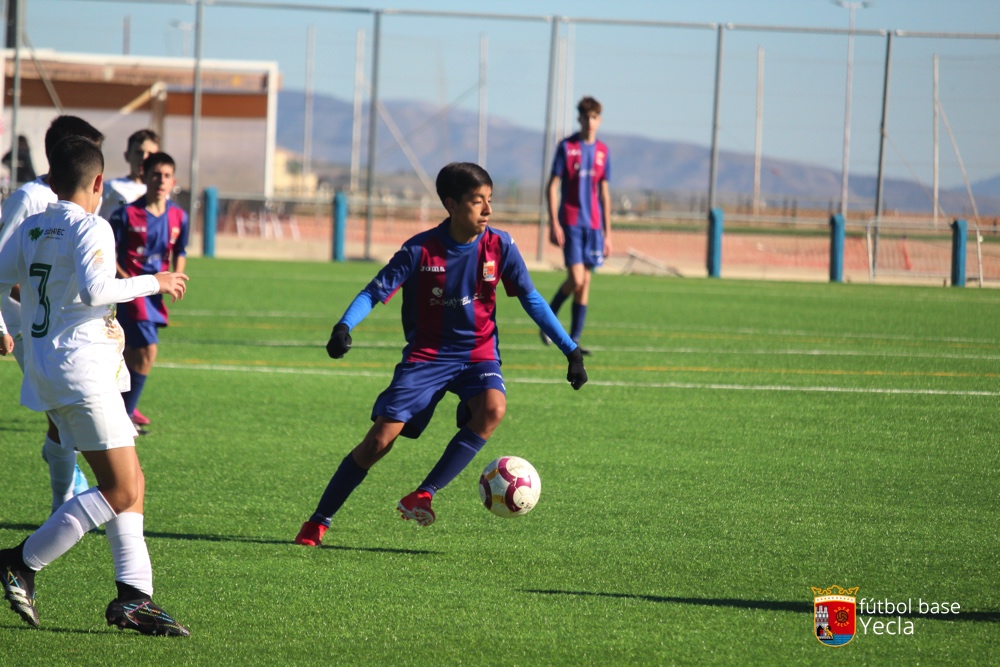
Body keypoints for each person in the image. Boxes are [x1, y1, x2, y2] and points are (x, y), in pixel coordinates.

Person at [294, 162, 588, 547]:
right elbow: (373, 292)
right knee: (378, 442)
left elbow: (532, 299)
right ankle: (318, 521)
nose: (487, 210)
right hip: (427, 357)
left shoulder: (500, 246)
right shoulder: (419, 250)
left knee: (493, 409)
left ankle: (425, 493)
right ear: (451, 204)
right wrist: (344, 326)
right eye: (477, 201)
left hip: (478, 355)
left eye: (490, 200)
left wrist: (571, 350)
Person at [0, 136, 190, 635]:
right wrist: (157, 281)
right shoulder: (92, 226)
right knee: (121, 486)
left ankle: (134, 595)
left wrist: (4, 326)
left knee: (131, 481)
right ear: (100, 182)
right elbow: (97, 289)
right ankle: (21, 560)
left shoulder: (33, 226)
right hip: (83, 372)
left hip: (50, 370)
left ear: (51, 179)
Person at [0, 115, 106, 513]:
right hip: (27, 324)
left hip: (65, 325)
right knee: (61, 412)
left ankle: (65, 487)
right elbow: (5, 265)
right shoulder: (29, 199)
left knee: (61, 415)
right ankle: (65, 496)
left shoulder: (84, 201)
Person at [108, 152, 188, 432]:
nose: (161, 180)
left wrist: (176, 276)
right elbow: (109, 254)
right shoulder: (127, 214)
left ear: (173, 181)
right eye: (156, 174)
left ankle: (115, 411)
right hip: (132, 291)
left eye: (166, 175)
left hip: (156, 292)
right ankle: (125, 417)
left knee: (132, 352)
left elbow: (181, 250)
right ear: (146, 176)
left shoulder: (179, 215)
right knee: (148, 350)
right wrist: (126, 281)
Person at [541, 96, 612, 355]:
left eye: (594, 117)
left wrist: (608, 233)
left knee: (586, 283)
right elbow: (552, 186)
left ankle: (575, 339)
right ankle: (549, 318)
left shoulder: (603, 151)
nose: (590, 122)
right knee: (576, 278)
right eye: (586, 117)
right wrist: (554, 223)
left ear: (599, 120)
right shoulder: (567, 147)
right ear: (579, 119)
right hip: (571, 222)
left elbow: (604, 193)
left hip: (593, 226)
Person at [97, 129, 160, 224]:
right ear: (127, 155)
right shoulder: (110, 187)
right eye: (139, 152)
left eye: (150, 154)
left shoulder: (161, 191)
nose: (144, 158)